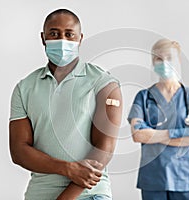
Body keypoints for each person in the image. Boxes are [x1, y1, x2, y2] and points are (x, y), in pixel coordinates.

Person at [9, 9, 122, 200]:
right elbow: (19, 151)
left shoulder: (104, 84)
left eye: (69, 34)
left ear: (80, 38)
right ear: (43, 38)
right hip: (39, 193)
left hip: (90, 194)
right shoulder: (25, 88)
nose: (62, 40)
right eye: (54, 34)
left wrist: (65, 198)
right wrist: (68, 169)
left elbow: (104, 148)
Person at [127, 39, 189, 200]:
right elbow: (138, 135)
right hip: (153, 178)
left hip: (185, 178)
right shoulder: (143, 97)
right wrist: (181, 133)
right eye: (158, 58)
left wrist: (153, 135)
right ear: (152, 62)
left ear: (178, 61)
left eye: (169, 58)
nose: (164, 63)